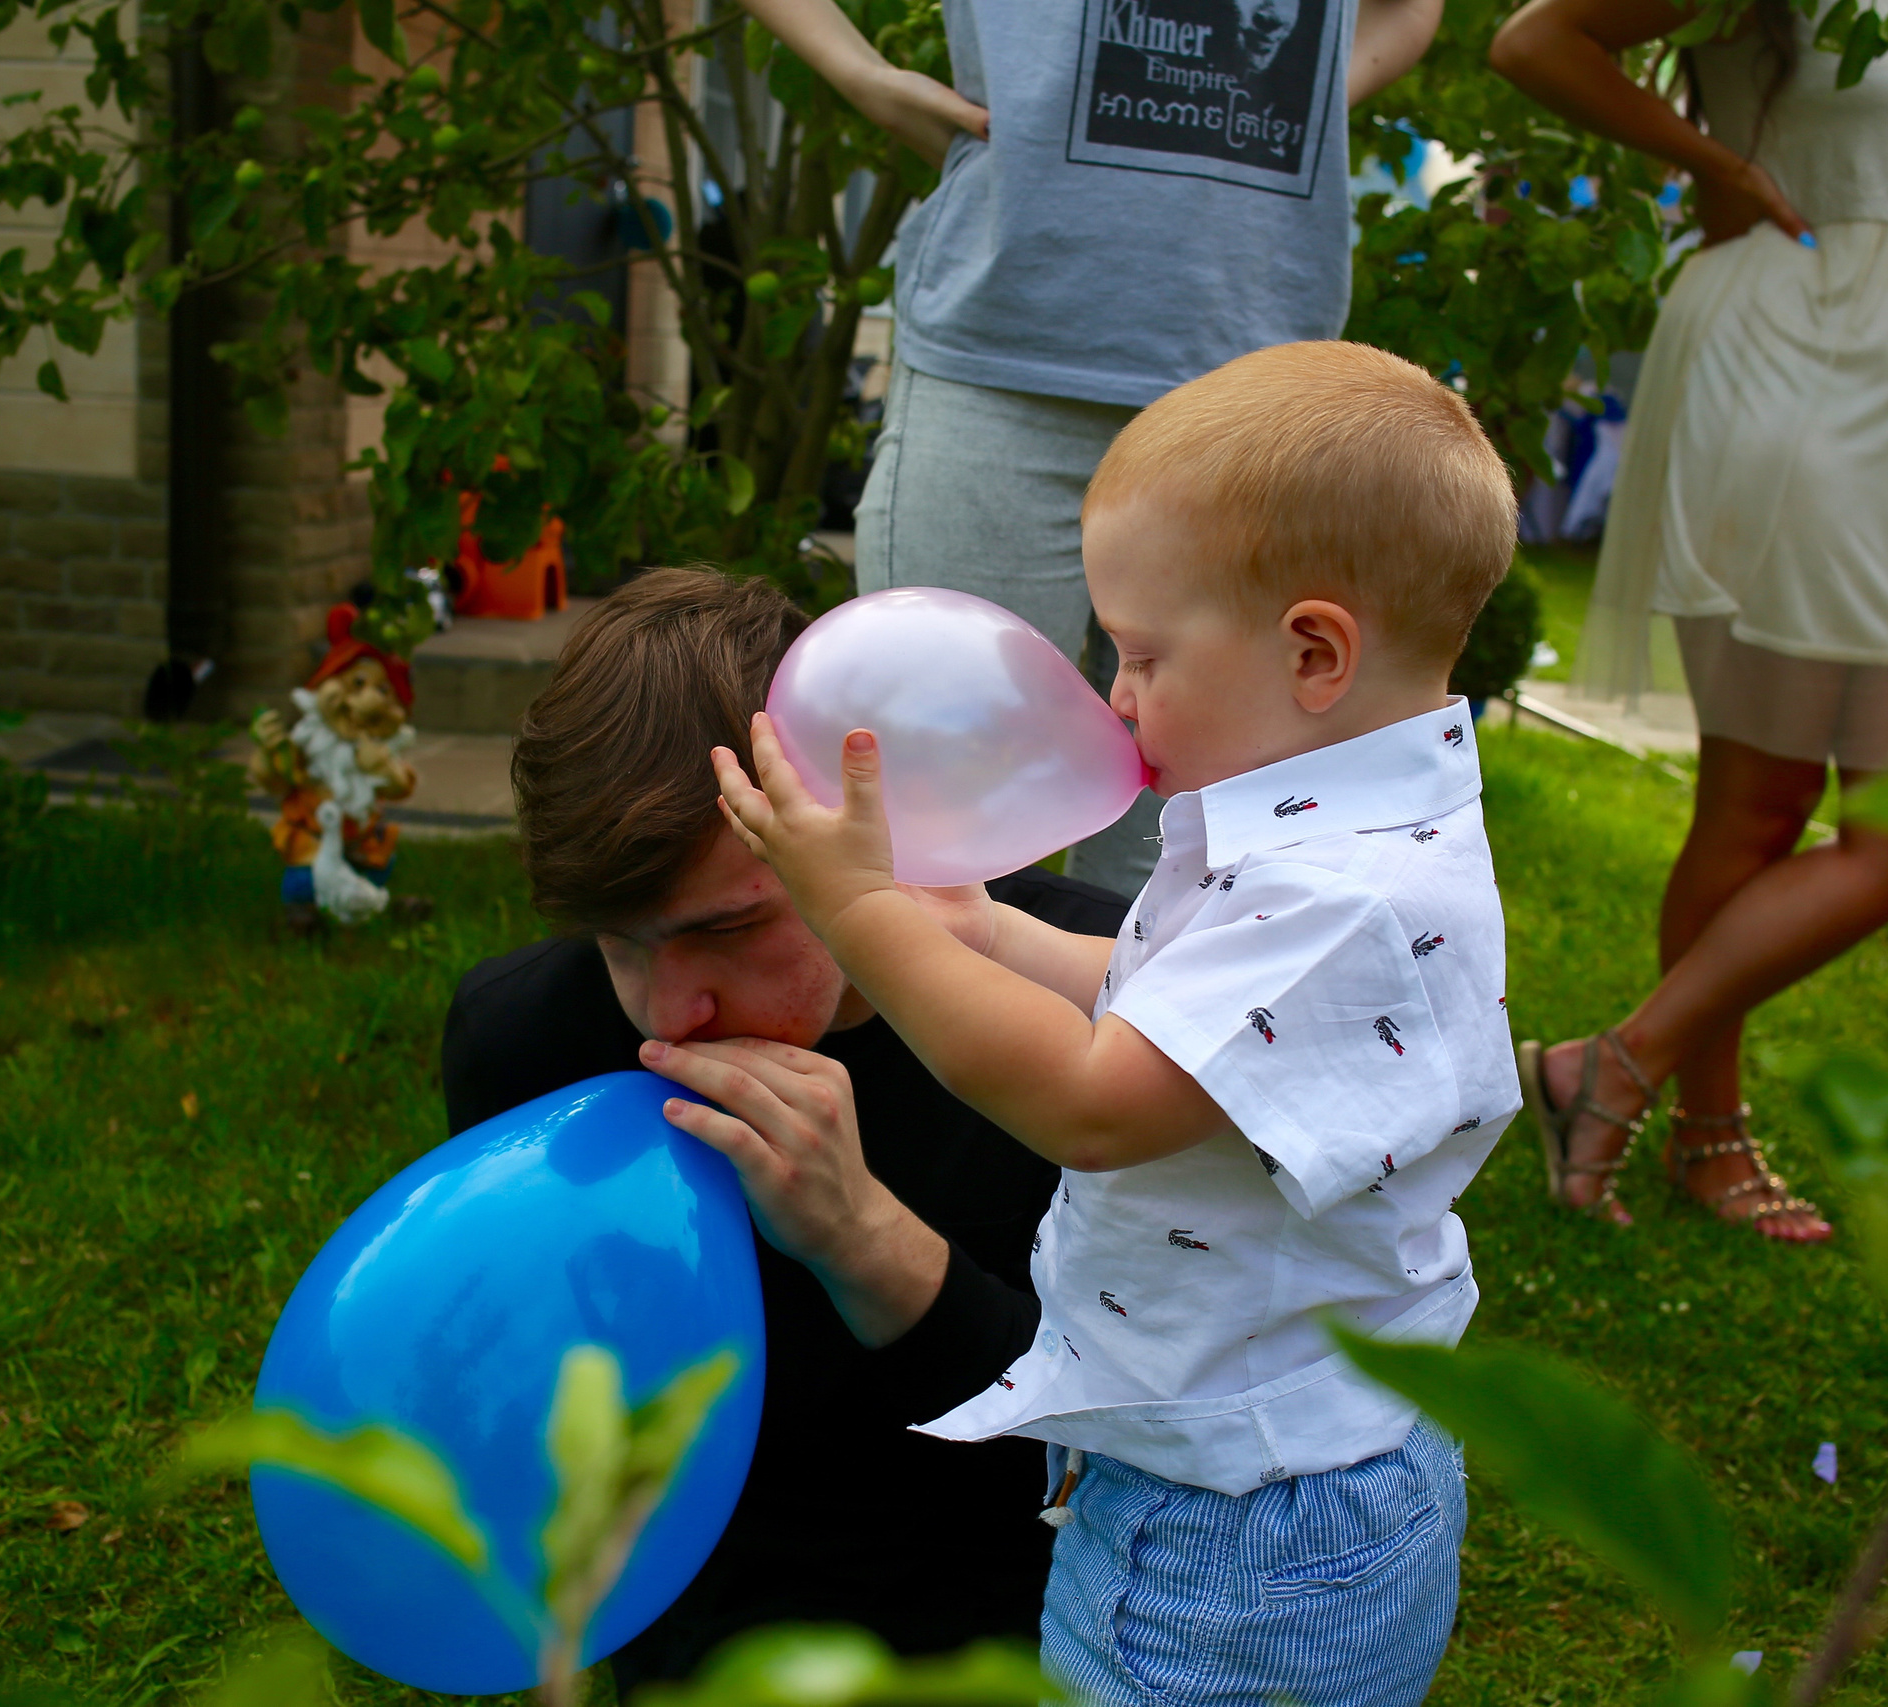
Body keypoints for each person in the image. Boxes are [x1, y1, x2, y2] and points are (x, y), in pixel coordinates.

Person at [707, 341, 1519, 1707]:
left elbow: (1093, 1095)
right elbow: (1176, 1009)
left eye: (1142, 653)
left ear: (1313, 650)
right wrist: (991, 934)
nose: (1118, 695)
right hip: (1277, 1457)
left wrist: (864, 913)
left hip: (1238, 1531)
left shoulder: (1341, 890)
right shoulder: (1342, 819)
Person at [439, 569, 1130, 1684]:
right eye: (621, 942)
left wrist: (865, 1243)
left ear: (866, 823)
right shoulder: (524, 1040)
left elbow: (1135, 1467)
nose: (670, 1013)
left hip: (1030, 1639)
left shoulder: (1095, 1026)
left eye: (726, 927)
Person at [1489, 0, 1888, 1241]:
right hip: (1800, 356)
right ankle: (1696, 1133)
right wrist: (1713, 163)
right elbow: (1534, 39)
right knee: (1766, 803)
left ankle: (1616, 1069)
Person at [733, 0, 1446, 897]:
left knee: (1194, 859)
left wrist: (1288, 93)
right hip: (1003, 349)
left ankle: (1121, 1039)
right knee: (920, 827)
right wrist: (859, 74)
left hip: (1248, 394)